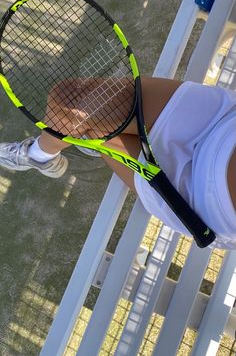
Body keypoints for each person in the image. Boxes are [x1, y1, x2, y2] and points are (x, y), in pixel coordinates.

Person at [0, 77, 236, 249]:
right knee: (70, 100)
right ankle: (42, 154)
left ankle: (41, 153)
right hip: (224, 122)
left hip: (203, 200)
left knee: (83, 123)